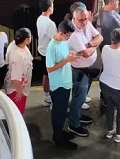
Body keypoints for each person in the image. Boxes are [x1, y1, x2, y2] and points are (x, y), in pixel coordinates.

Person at [67, 4, 102, 136]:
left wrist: (90, 44)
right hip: (80, 71)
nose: (84, 22)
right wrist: (95, 44)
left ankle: (78, 115)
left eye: (86, 19)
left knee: (81, 96)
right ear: (73, 19)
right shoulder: (74, 35)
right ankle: (74, 124)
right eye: (81, 20)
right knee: (78, 97)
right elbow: (86, 53)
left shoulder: (86, 24)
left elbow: (100, 37)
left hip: (87, 69)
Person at [46, 20, 78, 150]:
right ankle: (58, 137)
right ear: (60, 33)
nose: (68, 38)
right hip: (58, 85)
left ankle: (60, 132)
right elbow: (49, 68)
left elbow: (64, 58)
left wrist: (70, 56)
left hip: (66, 82)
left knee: (63, 109)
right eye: (68, 36)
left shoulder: (63, 42)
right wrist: (67, 60)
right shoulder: (52, 47)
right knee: (58, 112)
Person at [5, 28, 33, 114]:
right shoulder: (18, 56)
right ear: (26, 40)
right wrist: (19, 92)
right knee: (17, 113)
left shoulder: (14, 44)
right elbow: (15, 78)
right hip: (16, 89)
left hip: (18, 86)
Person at [36, 0, 57, 107]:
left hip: (42, 50)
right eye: (52, 6)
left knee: (46, 74)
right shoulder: (50, 24)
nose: (53, 8)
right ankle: (53, 101)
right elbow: (56, 39)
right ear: (49, 8)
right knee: (52, 76)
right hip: (49, 53)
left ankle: (46, 97)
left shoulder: (39, 19)